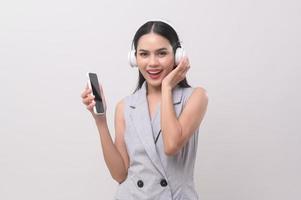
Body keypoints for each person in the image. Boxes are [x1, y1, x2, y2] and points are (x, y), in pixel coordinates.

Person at [81, 20, 208, 200]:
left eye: (162, 53)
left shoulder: (195, 97)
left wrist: (167, 87)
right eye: (144, 54)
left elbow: (171, 145)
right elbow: (119, 174)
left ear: (178, 56)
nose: (152, 63)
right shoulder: (125, 106)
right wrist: (100, 121)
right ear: (135, 59)